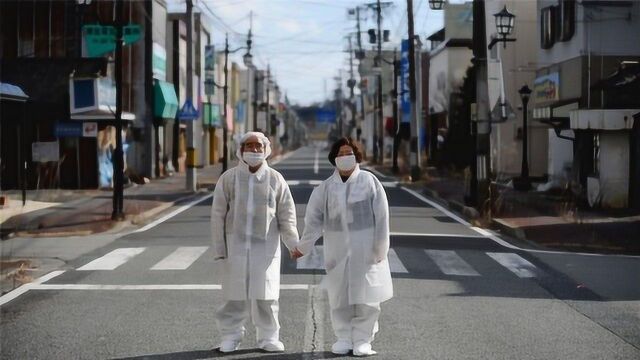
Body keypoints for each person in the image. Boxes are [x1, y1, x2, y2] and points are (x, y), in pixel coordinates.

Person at [295, 137, 393, 357]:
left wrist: (380, 247)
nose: (344, 157)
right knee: (339, 297)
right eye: (340, 154)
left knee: (367, 297)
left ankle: (363, 339)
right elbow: (314, 220)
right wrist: (303, 246)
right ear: (334, 158)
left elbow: (382, 216)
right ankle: (344, 337)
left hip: (366, 249)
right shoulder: (326, 188)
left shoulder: (369, 182)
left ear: (356, 156)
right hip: (336, 249)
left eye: (348, 153)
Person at [210, 131, 302, 353]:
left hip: (266, 247)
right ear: (240, 150)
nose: (253, 150)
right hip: (235, 246)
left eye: (258, 146)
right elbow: (217, 215)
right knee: (233, 295)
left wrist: (293, 244)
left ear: (266, 149)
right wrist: (220, 249)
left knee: (266, 295)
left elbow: (286, 215)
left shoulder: (275, 179)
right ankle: (230, 336)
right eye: (248, 146)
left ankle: (269, 337)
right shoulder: (229, 178)